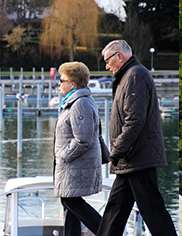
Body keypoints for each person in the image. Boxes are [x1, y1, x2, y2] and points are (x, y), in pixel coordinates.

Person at [96, 40, 177, 236]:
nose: (106, 67)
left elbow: (134, 120)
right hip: (131, 158)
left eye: (107, 61)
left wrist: (115, 152)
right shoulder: (129, 76)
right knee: (114, 212)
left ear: (119, 57)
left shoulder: (135, 76)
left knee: (154, 213)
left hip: (138, 158)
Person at [53, 61, 102, 236]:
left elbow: (83, 139)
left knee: (72, 202)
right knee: (69, 204)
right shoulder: (73, 101)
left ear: (72, 84)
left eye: (61, 80)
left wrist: (63, 155)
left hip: (74, 165)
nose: (59, 83)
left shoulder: (80, 103)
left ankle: (107, 232)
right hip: (71, 166)